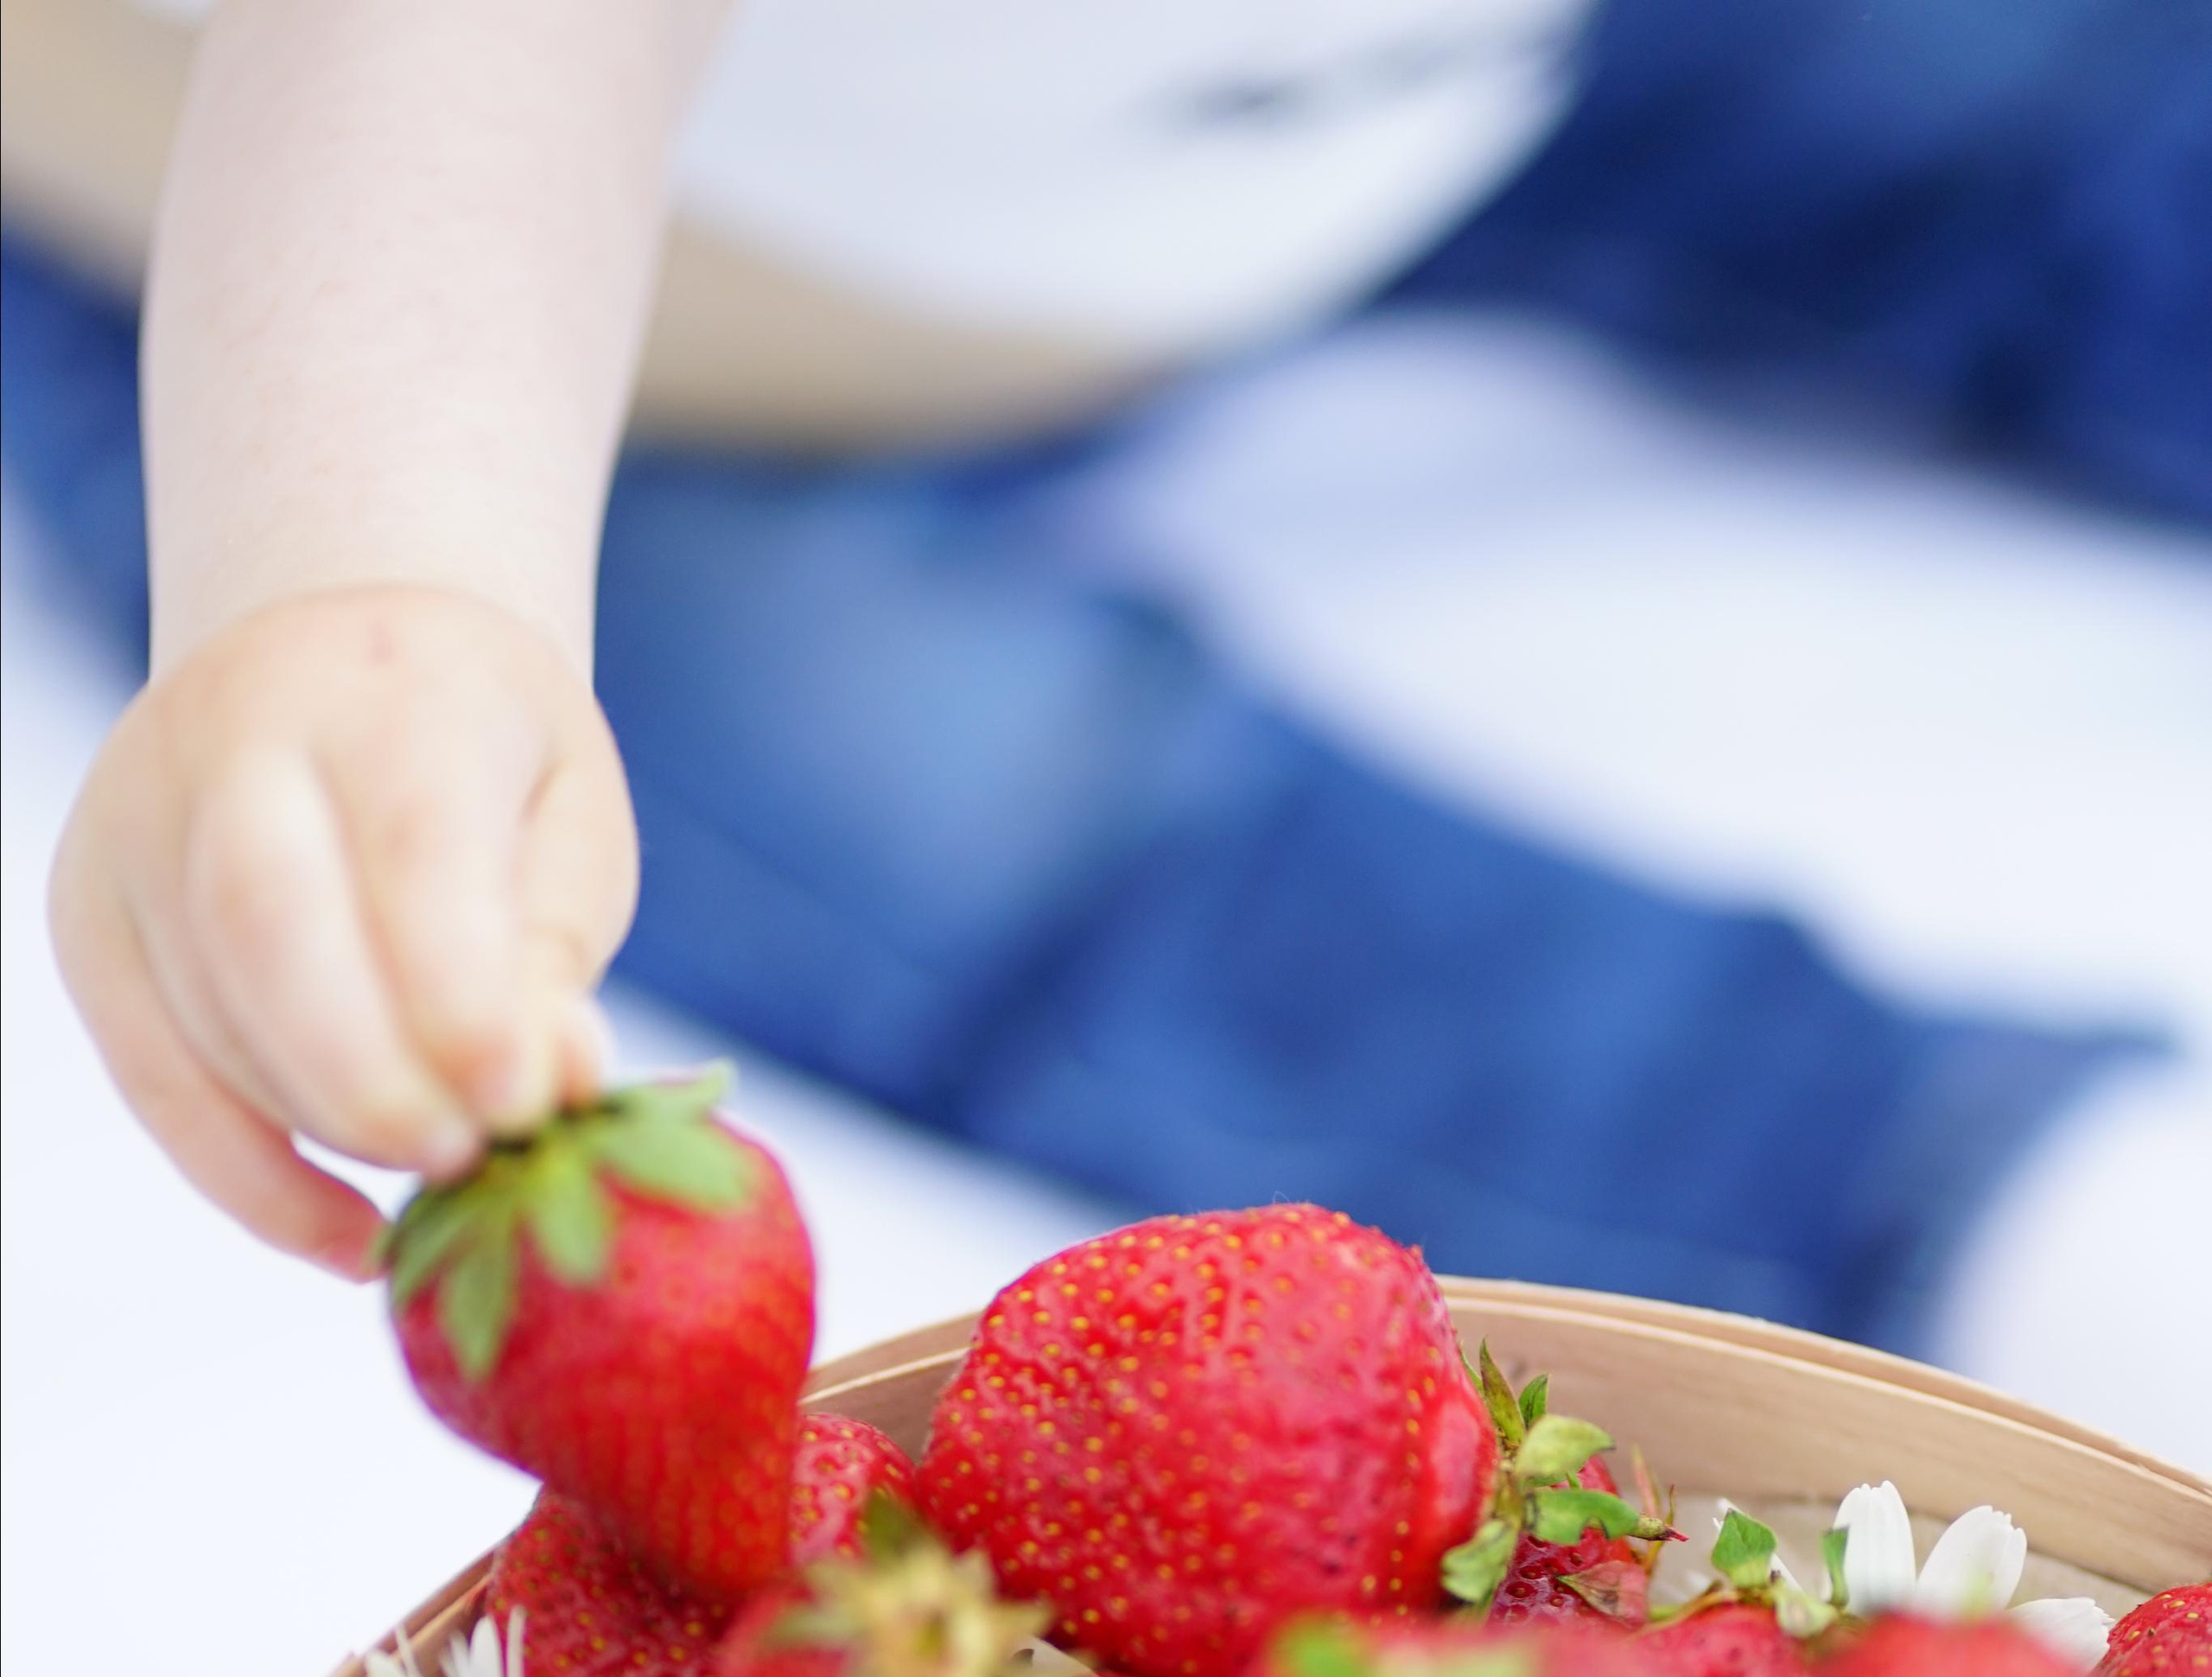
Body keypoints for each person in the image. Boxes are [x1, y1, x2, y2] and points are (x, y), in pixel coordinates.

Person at [3, 0, 2207, 1375]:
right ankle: (1926, 1189)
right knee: (945, 811)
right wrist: (365, 582)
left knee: (2043, 87)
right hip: (571, 296)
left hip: (1356, 102)